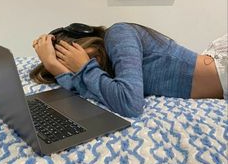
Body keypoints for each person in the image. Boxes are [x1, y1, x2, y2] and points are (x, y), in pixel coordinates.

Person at [31, 22, 227, 118]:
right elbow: (87, 89)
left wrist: (83, 66)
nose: (80, 62)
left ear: (82, 40)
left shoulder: (118, 34)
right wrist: (54, 68)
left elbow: (130, 104)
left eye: (72, 55)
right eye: (69, 66)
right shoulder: (107, 72)